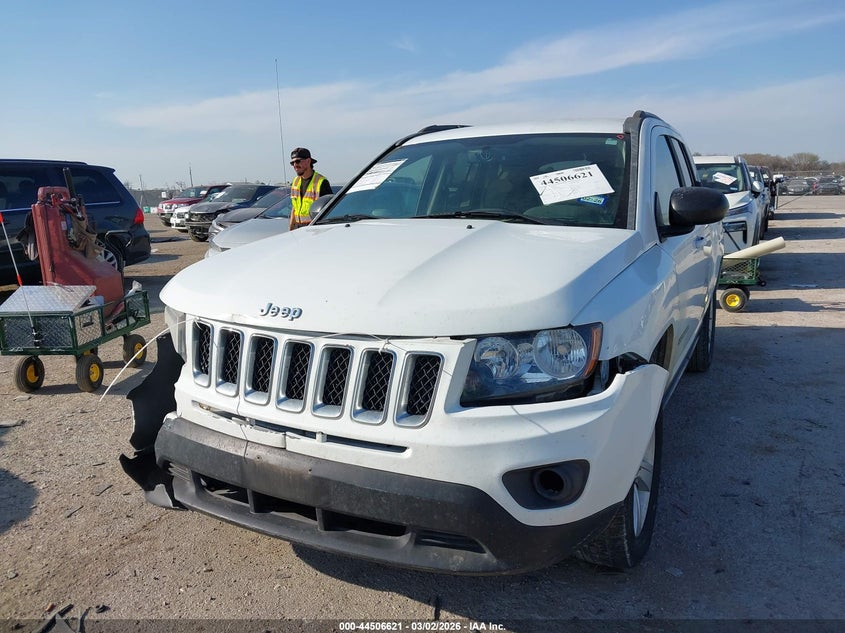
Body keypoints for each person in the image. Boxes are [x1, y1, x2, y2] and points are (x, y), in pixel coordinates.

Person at [288, 147, 332, 230]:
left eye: (297, 161)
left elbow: (328, 211)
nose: (295, 165)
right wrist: (291, 227)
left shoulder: (321, 182)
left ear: (308, 161)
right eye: (292, 163)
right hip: (298, 229)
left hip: (314, 229)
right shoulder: (295, 181)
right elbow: (294, 208)